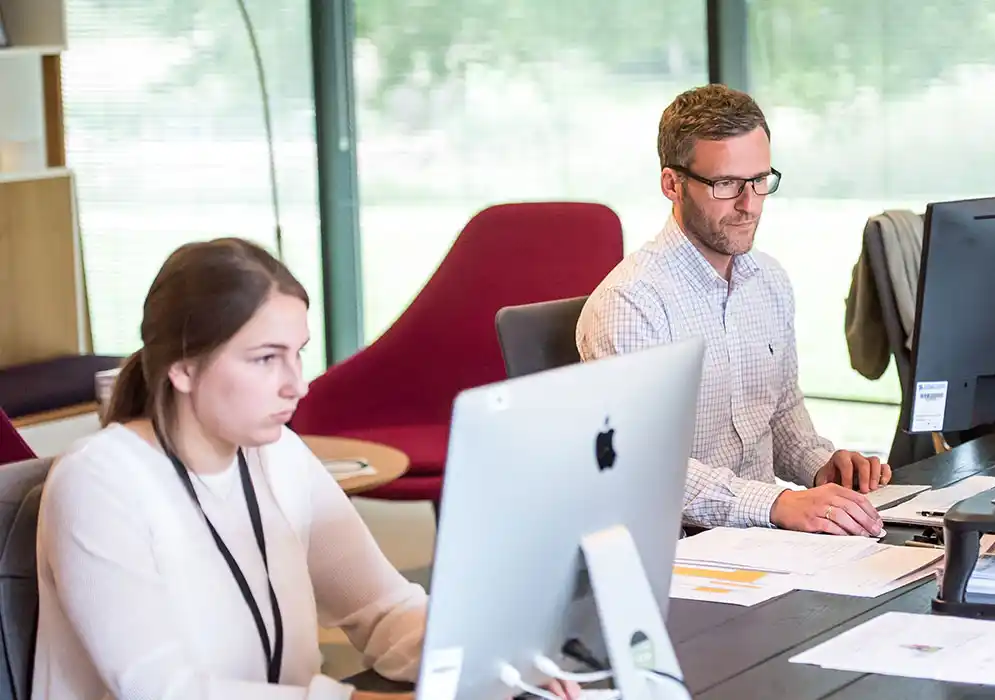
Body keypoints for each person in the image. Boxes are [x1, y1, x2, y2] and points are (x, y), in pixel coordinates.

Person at [33, 239, 578, 700]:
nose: (297, 384)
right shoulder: (100, 482)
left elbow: (384, 609)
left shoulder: (277, 454)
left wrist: (501, 663)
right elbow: (166, 690)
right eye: (266, 358)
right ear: (182, 367)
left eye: (299, 354)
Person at [576, 84, 890, 536]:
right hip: (682, 553)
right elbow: (645, 464)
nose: (750, 205)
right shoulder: (632, 303)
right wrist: (778, 503)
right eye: (726, 185)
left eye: (760, 180)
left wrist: (823, 469)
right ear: (672, 184)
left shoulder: (769, 281)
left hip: (764, 543)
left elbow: (780, 413)